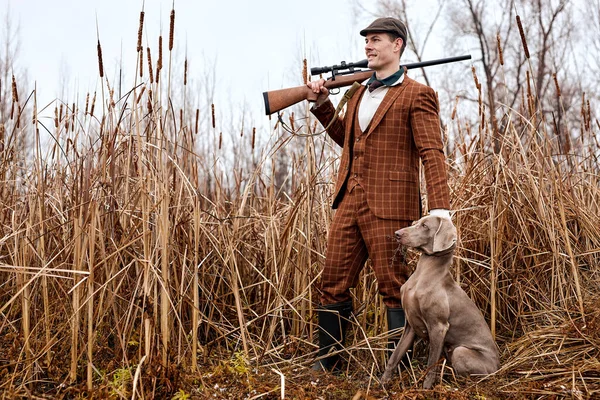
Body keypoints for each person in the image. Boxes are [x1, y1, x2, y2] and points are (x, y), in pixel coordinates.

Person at [307, 17, 452, 371]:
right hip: (349, 202)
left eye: (376, 40)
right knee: (331, 283)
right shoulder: (357, 93)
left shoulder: (418, 94)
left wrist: (441, 210)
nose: (368, 46)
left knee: (396, 288)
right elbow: (349, 142)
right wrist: (323, 104)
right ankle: (329, 365)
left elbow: (432, 152)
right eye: (366, 41)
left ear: (397, 45)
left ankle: (398, 369)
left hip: (392, 208)